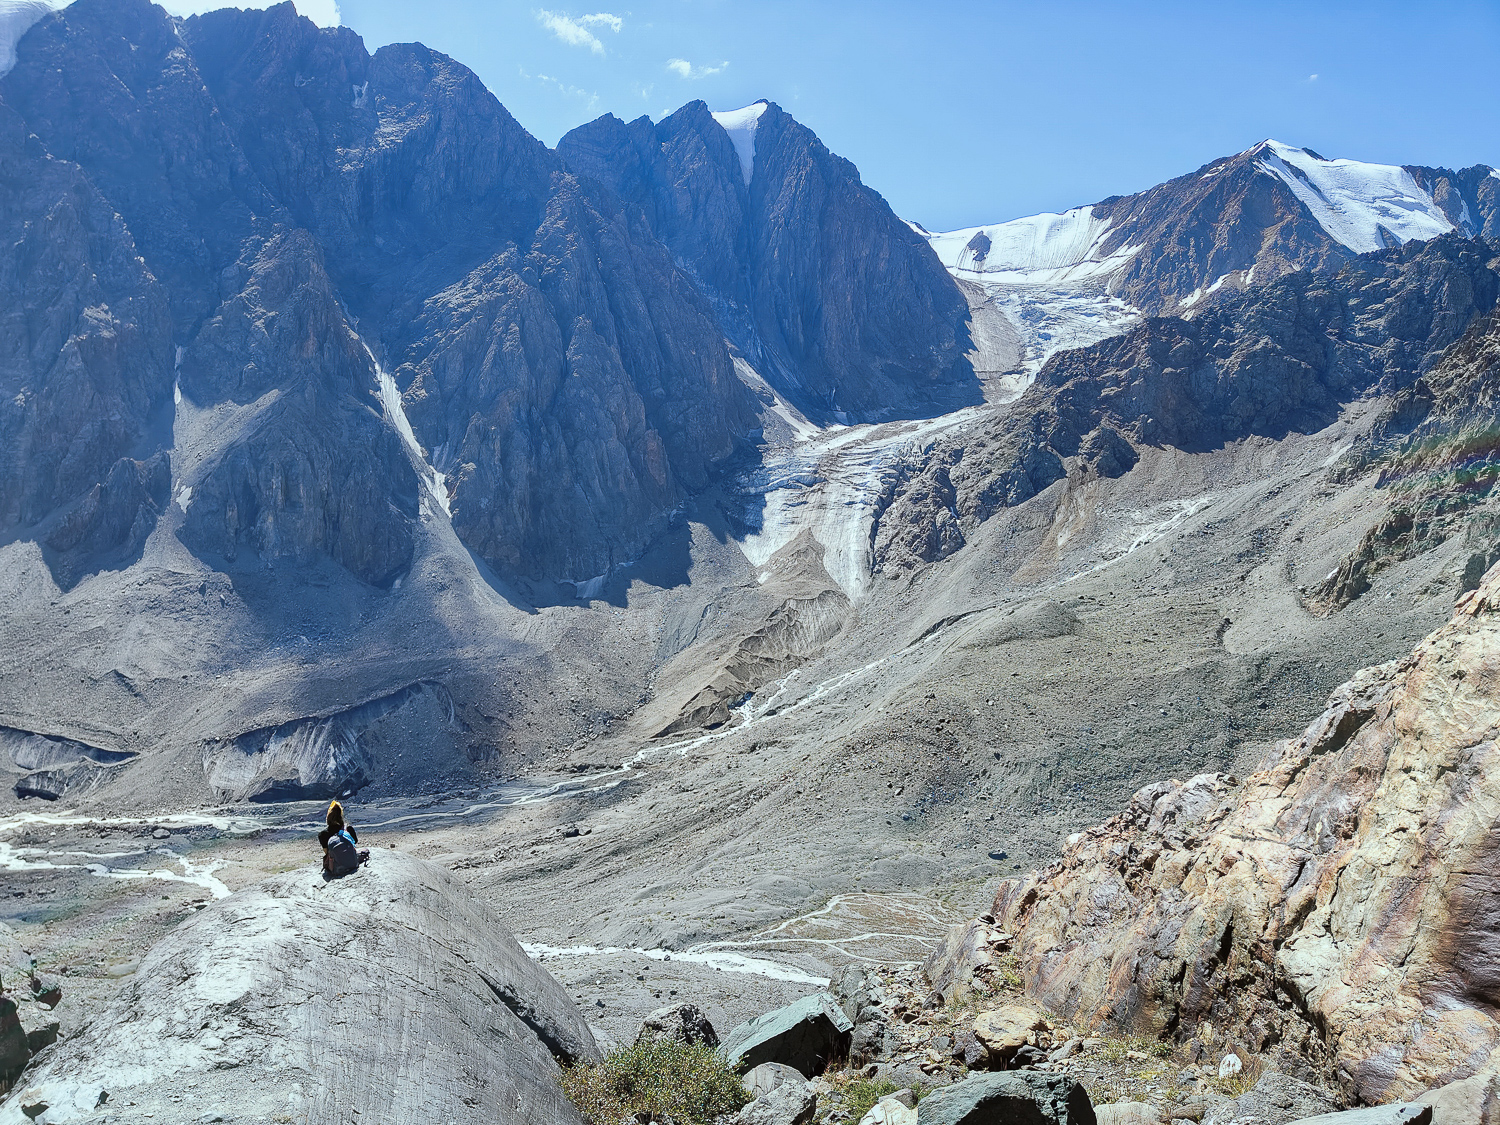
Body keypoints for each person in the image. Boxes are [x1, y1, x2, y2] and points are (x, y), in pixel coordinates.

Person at [318, 800, 369, 876]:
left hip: (335, 867)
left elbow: (327, 852)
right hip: (352, 863)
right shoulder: (349, 830)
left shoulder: (322, 835)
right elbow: (354, 843)